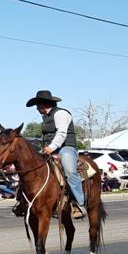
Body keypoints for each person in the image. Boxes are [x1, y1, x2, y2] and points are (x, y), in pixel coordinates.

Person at [27, 90, 85, 219]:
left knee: (70, 171)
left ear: (44, 104)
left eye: (37, 104)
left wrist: (51, 147)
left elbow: (62, 134)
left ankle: (80, 203)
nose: (36, 108)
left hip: (66, 147)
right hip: (50, 149)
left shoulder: (61, 114)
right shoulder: (46, 117)